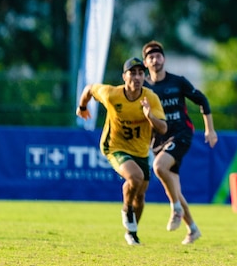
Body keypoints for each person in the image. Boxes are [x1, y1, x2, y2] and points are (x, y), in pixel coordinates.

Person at [76, 57, 167, 245]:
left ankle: (132, 232)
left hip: (140, 151)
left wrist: (149, 116)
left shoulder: (150, 98)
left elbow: (163, 128)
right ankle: (126, 209)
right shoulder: (111, 94)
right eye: (132, 73)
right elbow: (89, 89)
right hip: (114, 146)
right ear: (124, 76)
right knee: (135, 177)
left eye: (141, 73)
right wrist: (82, 107)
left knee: (141, 195)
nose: (137, 77)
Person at [142, 40, 219, 245]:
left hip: (181, 133)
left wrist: (210, 129)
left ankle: (175, 208)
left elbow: (202, 100)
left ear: (164, 59)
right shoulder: (144, 88)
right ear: (145, 62)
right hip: (157, 140)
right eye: (151, 57)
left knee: (159, 167)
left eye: (158, 55)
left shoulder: (177, 82)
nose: (155, 59)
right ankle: (192, 229)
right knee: (174, 188)